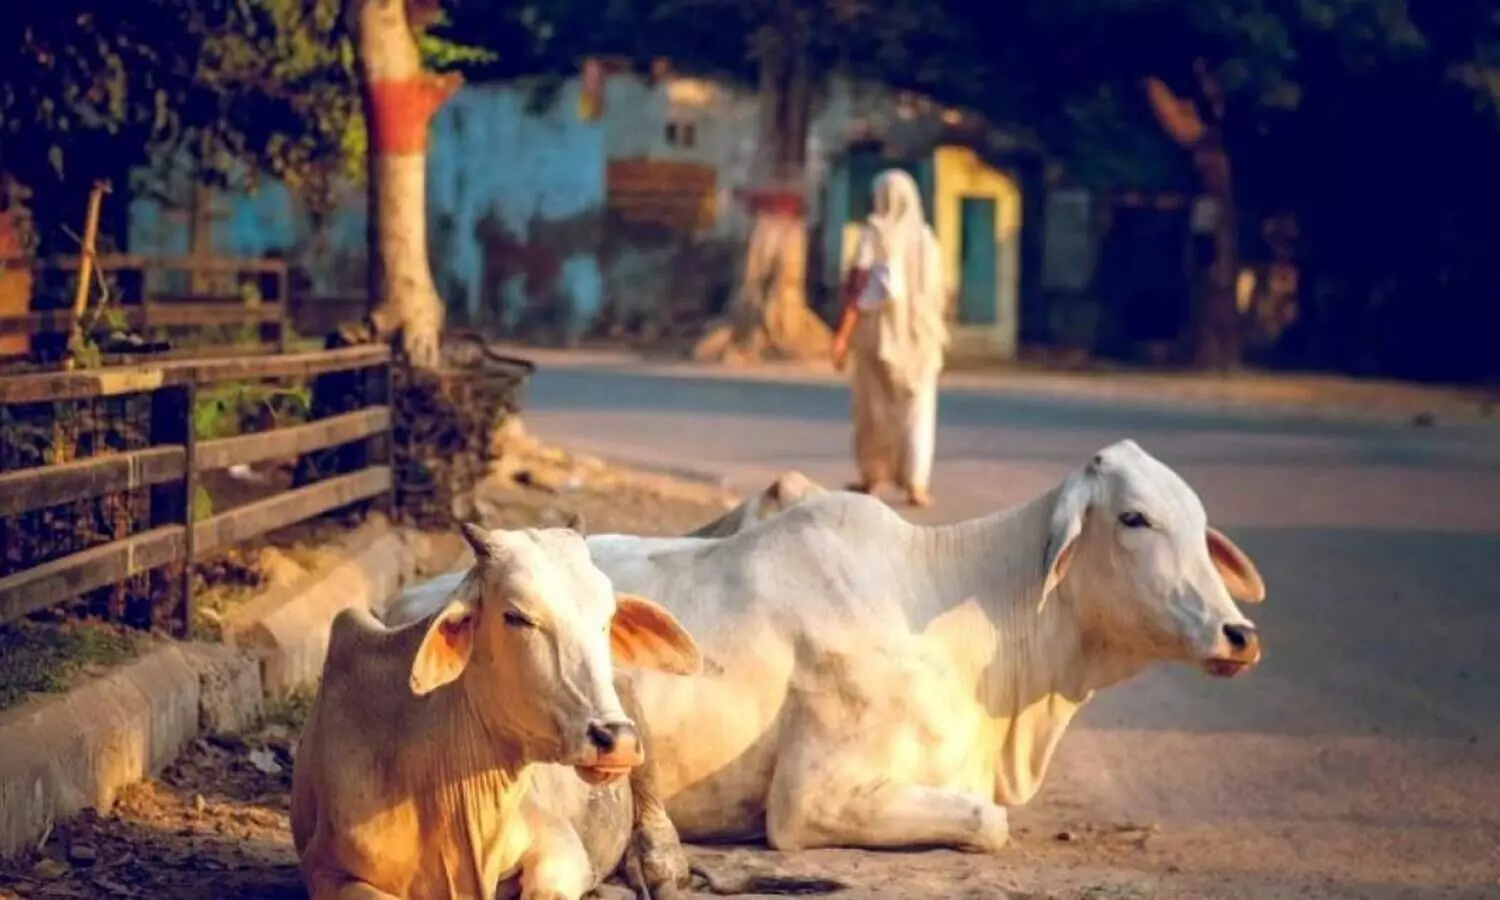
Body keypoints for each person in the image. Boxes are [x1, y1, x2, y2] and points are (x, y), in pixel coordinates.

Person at [831, 169, 949, 508]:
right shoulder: (927, 240)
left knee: (874, 409)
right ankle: (916, 484)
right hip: (922, 340)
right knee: (918, 412)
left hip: (877, 336)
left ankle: (873, 477)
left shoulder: (875, 233)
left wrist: (842, 334)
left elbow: (865, 285)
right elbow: (939, 293)